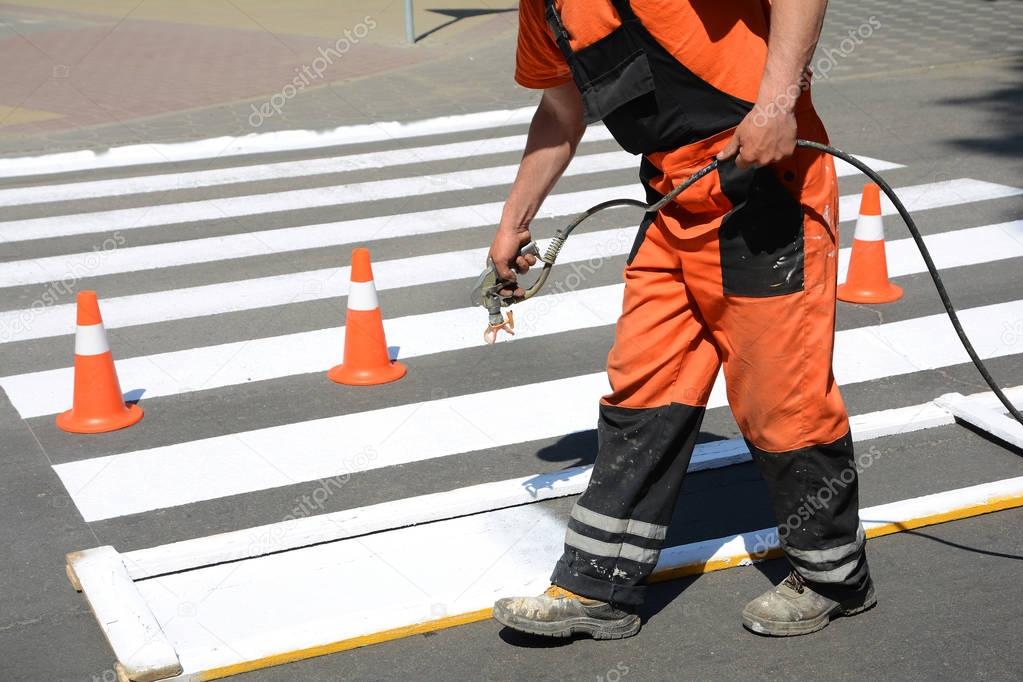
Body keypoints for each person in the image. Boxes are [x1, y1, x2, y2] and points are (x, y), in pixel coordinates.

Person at [487, 0, 876, 639]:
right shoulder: (548, 9)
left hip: (766, 187)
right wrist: (514, 221)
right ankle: (596, 586)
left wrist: (777, 103)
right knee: (643, 387)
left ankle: (833, 574)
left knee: (779, 397)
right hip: (673, 203)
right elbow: (561, 112)